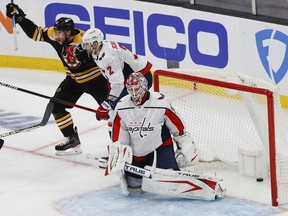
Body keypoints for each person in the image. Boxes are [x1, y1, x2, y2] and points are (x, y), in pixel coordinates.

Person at [6, 3, 109, 156]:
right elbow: (36, 33)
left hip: (96, 81)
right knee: (56, 107)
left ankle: (120, 146)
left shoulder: (83, 40)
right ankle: (72, 138)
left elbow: (103, 55)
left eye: (61, 33)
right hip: (73, 80)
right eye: (56, 32)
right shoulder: (54, 34)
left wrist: (86, 57)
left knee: (114, 111)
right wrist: (20, 18)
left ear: (69, 32)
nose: (57, 36)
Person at [107, 72, 208, 198]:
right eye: (130, 89)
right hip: (136, 153)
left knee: (170, 183)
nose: (134, 93)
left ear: (144, 87)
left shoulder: (160, 103)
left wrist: (185, 144)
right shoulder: (122, 106)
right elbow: (118, 135)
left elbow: (178, 125)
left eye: (136, 88)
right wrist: (119, 153)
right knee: (134, 186)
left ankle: (172, 164)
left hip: (159, 149)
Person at [80, 28, 153, 130]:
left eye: (87, 45)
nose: (84, 48)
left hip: (141, 79)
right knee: (118, 110)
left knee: (118, 109)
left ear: (95, 44)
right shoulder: (101, 47)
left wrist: (107, 104)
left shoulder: (108, 58)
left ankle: (120, 141)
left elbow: (118, 84)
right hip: (130, 77)